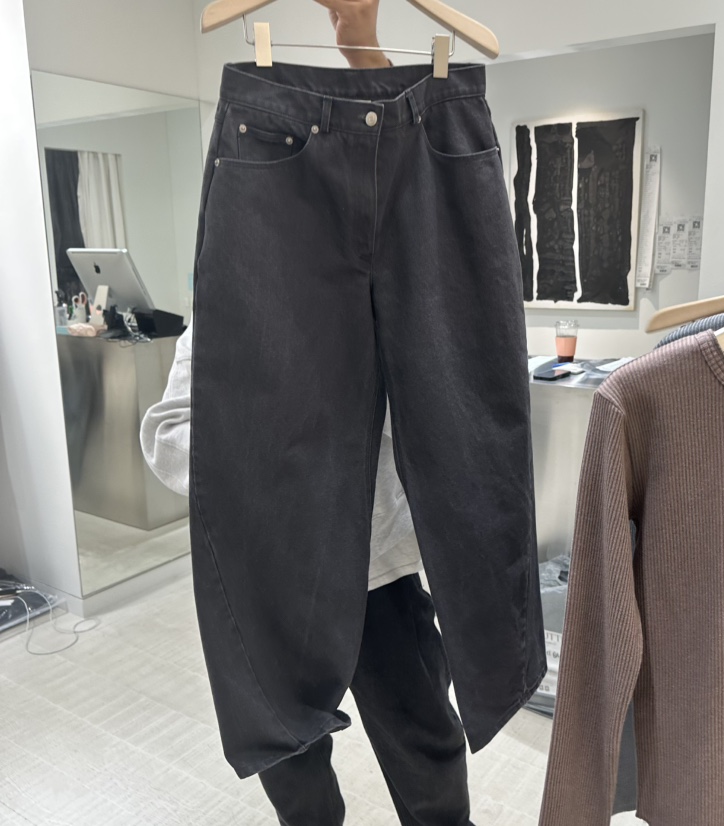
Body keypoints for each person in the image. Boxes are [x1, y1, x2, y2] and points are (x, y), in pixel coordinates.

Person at [141, 7, 474, 824]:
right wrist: (287, 455)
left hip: (381, 573)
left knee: (427, 753)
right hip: (270, 577)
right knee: (294, 774)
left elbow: (401, 170)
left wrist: (360, 42)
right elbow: (169, 433)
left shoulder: (394, 293)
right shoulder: (233, 307)